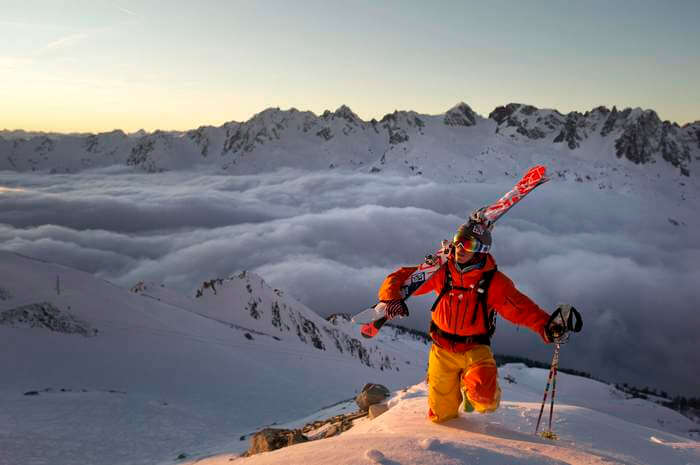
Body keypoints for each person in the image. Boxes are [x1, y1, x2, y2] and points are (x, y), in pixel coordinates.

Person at [377, 220, 570, 423]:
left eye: (468, 245)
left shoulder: (493, 282)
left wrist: (546, 325)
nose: (460, 249)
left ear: (481, 251)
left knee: (484, 399)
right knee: (441, 417)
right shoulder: (440, 271)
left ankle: (471, 387)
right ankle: (459, 395)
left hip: (475, 349)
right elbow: (401, 276)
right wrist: (391, 297)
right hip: (441, 350)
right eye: (458, 242)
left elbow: (521, 309)